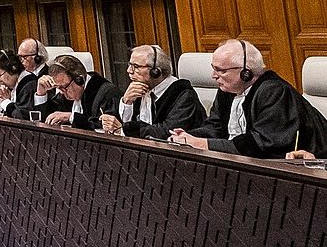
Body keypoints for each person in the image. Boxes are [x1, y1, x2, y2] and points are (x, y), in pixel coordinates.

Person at [172, 39, 324, 161]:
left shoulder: (273, 91)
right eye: (214, 68)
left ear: (246, 72)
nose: (213, 75)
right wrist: (188, 137)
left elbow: (262, 143)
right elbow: (215, 127)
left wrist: (201, 144)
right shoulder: (228, 90)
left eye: (221, 70)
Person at [112, 45, 205, 139]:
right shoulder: (140, 89)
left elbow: (168, 132)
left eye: (136, 66)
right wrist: (127, 102)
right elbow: (125, 124)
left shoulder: (183, 94)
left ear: (156, 71)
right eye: (130, 65)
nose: (129, 71)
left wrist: (126, 130)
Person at [42, 54, 120, 131]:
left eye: (65, 87)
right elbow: (45, 119)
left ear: (79, 80)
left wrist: (71, 117)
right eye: (58, 88)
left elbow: (106, 126)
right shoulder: (64, 94)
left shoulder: (107, 94)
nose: (62, 92)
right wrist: (41, 93)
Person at [0, 49, 28, 117]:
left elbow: (22, 118)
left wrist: (5, 101)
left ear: (13, 68)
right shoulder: (9, 88)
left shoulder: (28, 85)